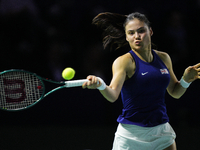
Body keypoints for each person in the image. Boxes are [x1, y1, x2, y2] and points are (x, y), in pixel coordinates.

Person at [82, 12, 200, 150]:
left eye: (141, 31)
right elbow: (113, 95)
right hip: (131, 135)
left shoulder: (164, 58)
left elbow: (175, 92)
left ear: (150, 31)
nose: (136, 36)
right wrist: (100, 85)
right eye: (131, 33)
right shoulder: (124, 62)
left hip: (161, 131)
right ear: (126, 37)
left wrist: (186, 79)